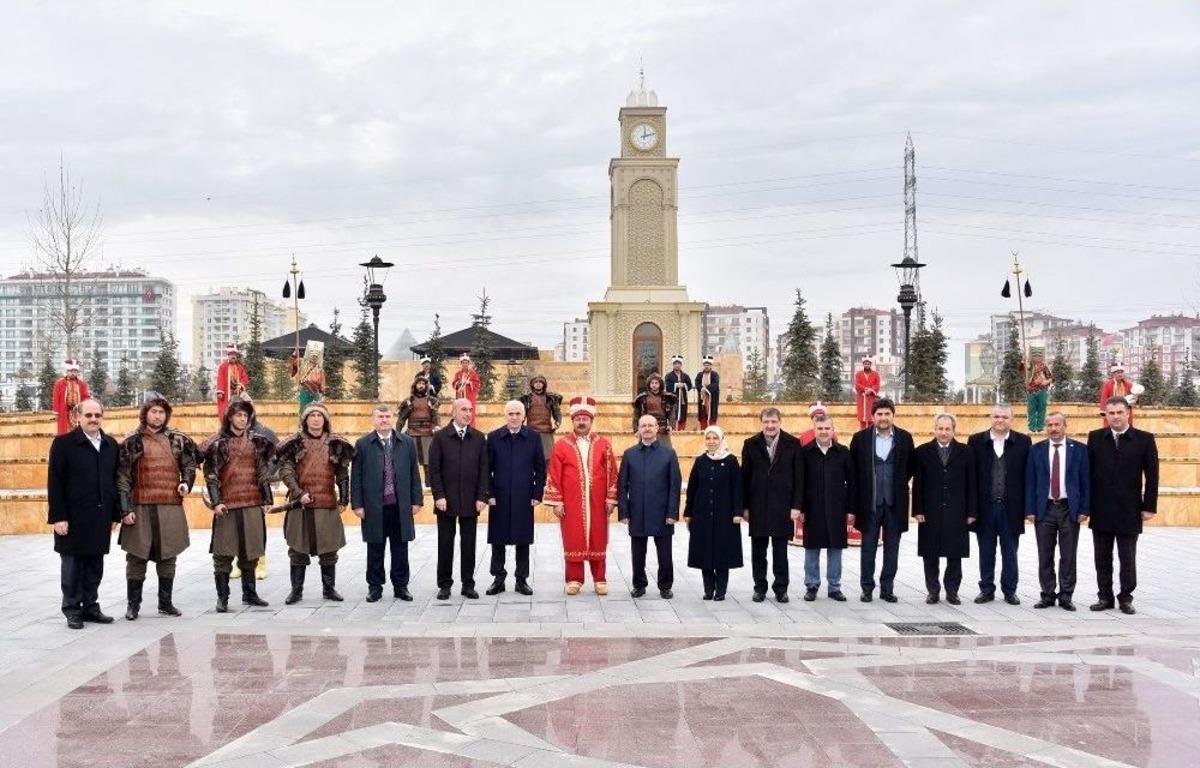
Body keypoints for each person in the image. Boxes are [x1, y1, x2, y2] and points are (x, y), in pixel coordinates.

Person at [116, 393, 198, 620]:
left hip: (169, 506)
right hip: (140, 505)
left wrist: (185, 483)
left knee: (168, 555)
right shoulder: (132, 441)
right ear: (145, 413)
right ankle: (133, 605)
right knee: (136, 557)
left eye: (162, 412)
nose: (158, 416)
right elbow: (122, 477)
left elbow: (189, 465)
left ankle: (165, 603)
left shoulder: (178, 440)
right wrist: (125, 509)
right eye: (154, 411)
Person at [47, 398, 120, 629]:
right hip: (73, 517)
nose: (93, 419)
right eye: (88, 415)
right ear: (77, 417)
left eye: (97, 415)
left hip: (100, 516)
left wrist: (115, 514)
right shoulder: (63, 444)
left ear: (102, 417)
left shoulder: (110, 444)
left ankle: (90, 606)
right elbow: (55, 483)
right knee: (72, 566)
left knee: (94, 565)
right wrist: (58, 517)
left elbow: (114, 482)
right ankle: (72, 609)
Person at [1087, 397, 1159, 614]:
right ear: (1106, 415)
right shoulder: (1096, 437)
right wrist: (1085, 505)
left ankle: (1126, 597)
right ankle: (1104, 597)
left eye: (1119, 412)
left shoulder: (1144, 439)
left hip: (1130, 509)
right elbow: (1088, 474)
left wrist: (1149, 506)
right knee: (1102, 556)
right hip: (1101, 508)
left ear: (1128, 412)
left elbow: (1152, 476)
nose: (1115, 417)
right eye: (1111, 413)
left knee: (1127, 557)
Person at [201, 399, 274, 612]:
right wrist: (216, 502)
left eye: (245, 416)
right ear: (230, 417)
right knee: (223, 553)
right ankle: (222, 598)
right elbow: (211, 475)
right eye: (238, 415)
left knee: (251, 550)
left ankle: (249, 594)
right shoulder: (217, 444)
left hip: (252, 502)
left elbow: (262, 472)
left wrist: (267, 499)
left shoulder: (257, 442)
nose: (242, 419)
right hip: (228, 505)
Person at [276, 403, 353, 605]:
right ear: (306, 420)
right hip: (300, 504)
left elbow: (343, 474)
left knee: (329, 549)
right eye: (312, 415)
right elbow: (286, 470)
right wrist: (298, 493)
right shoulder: (293, 444)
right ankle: (296, 591)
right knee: (297, 549)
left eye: (320, 415)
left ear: (325, 419)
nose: (316, 418)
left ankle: (329, 589)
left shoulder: (336, 444)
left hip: (326, 502)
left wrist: (344, 499)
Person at [544, 396, 618, 595]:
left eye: (585, 419)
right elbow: (554, 474)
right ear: (573, 421)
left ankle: (600, 578)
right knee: (573, 538)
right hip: (571, 502)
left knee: (598, 537)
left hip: (598, 502)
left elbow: (612, 472)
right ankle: (574, 579)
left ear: (591, 421)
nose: (582, 422)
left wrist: (611, 498)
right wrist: (557, 501)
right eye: (578, 419)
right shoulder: (562, 445)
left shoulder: (604, 444)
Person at [351, 404, 424, 602]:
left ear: (392, 419)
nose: (384, 420)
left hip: (400, 506)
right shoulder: (363, 444)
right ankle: (375, 587)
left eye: (387, 416)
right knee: (375, 548)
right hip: (374, 507)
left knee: (400, 548)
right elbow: (355, 476)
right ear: (373, 420)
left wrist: (417, 499)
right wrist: (357, 504)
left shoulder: (406, 442)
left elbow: (414, 473)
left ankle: (401, 586)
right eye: (380, 417)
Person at [849, 398, 915, 603]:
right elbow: (853, 473)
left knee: (892, 548)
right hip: (870, 503)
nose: (883, 418)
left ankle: (887, 589)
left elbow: (910, 467)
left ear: (893, 415)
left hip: (895, 503)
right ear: (873, 416)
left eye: (887, 414)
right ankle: (867, 588)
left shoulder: (905, 438)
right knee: (868, 548)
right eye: (880, 414)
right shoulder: (860, 439)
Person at [1025, 411, 1090, 611]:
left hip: (1069, 508)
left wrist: (1085, 508)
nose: (1053, 428)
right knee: (1045, 554)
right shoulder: (1036, 450)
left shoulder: (1079, 450)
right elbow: (1030, 481)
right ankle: (1047, 594)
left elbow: (1086, 481)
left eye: (1057, 425)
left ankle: (1066, 595)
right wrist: (1029, 509)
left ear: (1065, 426)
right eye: (1050, 425)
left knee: (1068, 555)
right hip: (1044, 509)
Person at [966, 404, 1031, 605]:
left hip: (1011, 508)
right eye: (996, 416)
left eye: (1004, 416)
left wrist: (1027, 509)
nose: (1000, 420)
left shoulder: (1023, 442)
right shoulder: (976, 441)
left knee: (1010, 551)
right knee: (986, 550)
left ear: (1011, 419)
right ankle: (986, 589)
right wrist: (972, 509)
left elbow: (1028, 477)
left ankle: (1010, 590)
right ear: (990, 418)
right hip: (985, 508)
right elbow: (971, 478)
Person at [912, 413, 977, 605]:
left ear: (954, 430)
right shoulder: (923, 451)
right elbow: (918, 483)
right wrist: (917, 509)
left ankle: (952, 591)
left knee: (954, 554)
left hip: (957, 511)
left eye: (947, 429)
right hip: (930, 511)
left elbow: (972, 483)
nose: (943, 432)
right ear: (935, 429)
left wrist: (972, 512)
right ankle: (933, 591)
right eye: (940, 428)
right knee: (930, 554)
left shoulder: (966, 452)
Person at [741, 406, 804, 603]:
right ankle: (759, 587)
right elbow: (745, 478)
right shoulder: (750, 444)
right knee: (758, 551)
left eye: (773, 422)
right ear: (761, 423)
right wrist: (744, 507)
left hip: (782, 506)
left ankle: (781, 588)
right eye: (766, 422)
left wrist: (796, 506)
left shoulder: (793, 444)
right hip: (757, 506)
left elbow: (799, 478)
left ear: (779, 422)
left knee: (780, 551)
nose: (770, 426)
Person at [428, 398, 489, 600]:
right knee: (445, 543)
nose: (468, 413)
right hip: (446, 500)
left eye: (470, 410)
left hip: (471, 501)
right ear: (453, 412)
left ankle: (468, 584)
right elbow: (434, 470)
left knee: (469, 543)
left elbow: (484, 470)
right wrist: (439, 496)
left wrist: (482, 497)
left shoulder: (479, 438)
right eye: (464, 409)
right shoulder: (440, 438)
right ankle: (444, 584)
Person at [618, 414, 682, 599]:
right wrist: (624, 511)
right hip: (637, 511)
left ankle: (665, 586)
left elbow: (674, 485)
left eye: (650, 425)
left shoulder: (668, 453)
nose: (647, 429)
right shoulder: (630, 454)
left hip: (662, 512)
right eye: (643, 425)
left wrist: (672, 512)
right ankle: (639, 584)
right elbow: (622, 485)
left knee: (665, 554)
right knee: (637, 553)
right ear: (638, 429)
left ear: (657, 428)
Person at [486, 401, 546, 596]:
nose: (514, 417)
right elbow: (486, 470)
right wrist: (490, 494)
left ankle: (522, 579)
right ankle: (498, 578)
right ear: (505, 415)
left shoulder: (534, 438)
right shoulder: (494, 438)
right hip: (500, 497)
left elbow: (540, 469)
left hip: (524, 496)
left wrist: (537, 494)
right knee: (498, 538)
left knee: (523, 539)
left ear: (523, 416)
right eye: (510, 413)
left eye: (517, 413)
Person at [798, 414, 855, 602]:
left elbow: (852, 483)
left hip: (836, 509)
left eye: (827, 428)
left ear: (833, 430)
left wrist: (850, 510)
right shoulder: (805, 453)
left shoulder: (843, 452)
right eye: (820, 428)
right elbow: (800, 483)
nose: (823, 432)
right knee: (812, 548)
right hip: (812, 508)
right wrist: (801, 508)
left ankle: (834, 587)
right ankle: (812, 585)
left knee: (835, 548)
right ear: (814, 430)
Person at [683, 425, 743, 600]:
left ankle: (721, 590)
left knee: (722, 554)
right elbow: (692, 488)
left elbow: (737, 488)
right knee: (704, 553)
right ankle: (708, 589)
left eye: (715, 438)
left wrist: (737, 512)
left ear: (721, 439)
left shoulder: (731, 461)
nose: (711, 441)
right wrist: (688, 512)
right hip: (702, 515)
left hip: (725, 516)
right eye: (708, 438)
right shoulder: (701, 461)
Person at [397, 376, 439, 469]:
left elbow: (435, 415)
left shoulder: (432, 401)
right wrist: (397, 433)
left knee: (428, 463)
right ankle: (413, 483)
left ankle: (428, 483)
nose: (421, 386)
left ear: (426, 386)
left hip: (427, 434)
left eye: (423, 384)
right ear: (415, 385)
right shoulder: (409, 401)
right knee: (411, 462)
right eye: (419, 384)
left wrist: (437, 426)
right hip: (412, 434)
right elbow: (401, 419)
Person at [518, 374, 562, 460]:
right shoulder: (526, 399)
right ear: (532, 384)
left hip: (546, 432)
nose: (538, 384)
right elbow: (522, 414)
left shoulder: (551, 398)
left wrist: (558, 421)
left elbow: (557, 412)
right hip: (531, 432)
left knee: (548, 458)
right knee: (530, 457)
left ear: (544, 384)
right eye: (536, 382)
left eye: (540, 382)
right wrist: (519, 426)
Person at [633, 372, 677, 449]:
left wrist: (671, 425)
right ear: (649, 384)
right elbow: (636, 415)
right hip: (647, 427)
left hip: (662, 429)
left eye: (656, 383)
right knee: (644, 452)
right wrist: (636, 429)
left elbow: (671, 413)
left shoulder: (667, 398)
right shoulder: (642, 398)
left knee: (666, 452)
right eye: (652, 383)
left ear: (660, 384)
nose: (654, 385)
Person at [52, 359, 91, 436]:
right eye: (70, 371)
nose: (73, 373)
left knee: (79, 431)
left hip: (77, 412)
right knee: (64, 433)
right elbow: (56, 398)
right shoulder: (59, 384)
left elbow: (86, 397)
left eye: (75, 371)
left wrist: (86, 409)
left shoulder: (82, 384)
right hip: (64, 411)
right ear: (66, 371)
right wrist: (56, 412)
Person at [214, 344, 249, 421]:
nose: (233, 356)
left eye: (235, 355)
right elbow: (220, 379)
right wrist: (220, 391)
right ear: (228, 355)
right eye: (231, 354)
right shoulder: (223, 366)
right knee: (225, 412)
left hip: (238, 393)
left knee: (247, 404)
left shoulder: (240, 367)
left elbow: (245, 378)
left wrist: (240, 385)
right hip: (226, 393)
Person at [293, 342, 326, 414]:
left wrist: (322, 391)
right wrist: (296, 352)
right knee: (304, 409)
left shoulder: (320, 369)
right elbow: (295, 363)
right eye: (313, 356)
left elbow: (322, 382)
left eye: (316, 357)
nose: (314, 358)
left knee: (314, 410)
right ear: (310, 356)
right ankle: (302, 424)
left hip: (315, 392)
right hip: (305, 390)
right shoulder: (304, 365)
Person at [451, 354, 481, 428]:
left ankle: (471, 428)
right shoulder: (458, 374)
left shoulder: (472, 373)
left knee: (470, 412)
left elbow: (477, 383)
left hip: (469, 397)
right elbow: (454, 384)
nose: (465, 364)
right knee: (460, 412)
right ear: (461, 363)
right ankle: (460, 427)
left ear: (468, 363)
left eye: (466, 362)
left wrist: (469, 383)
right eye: (463, 362)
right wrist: (459, 383)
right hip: (460, 397)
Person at [663, 355, 692, 431]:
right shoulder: (668, 376)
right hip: (672, 399)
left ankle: (681, 431)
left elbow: (690, 385)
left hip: (683, 400)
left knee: (682, 415)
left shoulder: (685, 376)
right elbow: (668, 385)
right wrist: (676, 385)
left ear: (681, 365)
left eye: (679, 363)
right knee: (672, 415)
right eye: (675, 363)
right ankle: (673, 430)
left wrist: (684, 385)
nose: (677, 365)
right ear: (673, 365)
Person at [854, 357, 881, 431]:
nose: (867, 365)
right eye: (865, 364)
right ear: (863, 364)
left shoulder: (875, 374)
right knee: (862, 417)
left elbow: (877, 384)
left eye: (868, 364)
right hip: (862, 398)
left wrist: (871, 390)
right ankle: (862, 433)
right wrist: (865, 389)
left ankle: (871, 433)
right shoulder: (858, 374)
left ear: (870, 365)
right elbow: (857, 384)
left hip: (871, 398)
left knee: (871, 417)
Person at [1026, 358, 1053, 433]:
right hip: (1031, 391)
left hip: (1042, 391)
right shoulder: (1029, 366)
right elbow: (1022, 372)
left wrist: (1046, 382)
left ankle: (1040, 428)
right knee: (1031, 410)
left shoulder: (1044, 367)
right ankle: (1031, 428)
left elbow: (1051, 378)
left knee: (1042, 410)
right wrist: (1023, 360)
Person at [695, 355, 720, 430]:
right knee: (703, 415)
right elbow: (697, 383)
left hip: (712, 398)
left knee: (712, 415)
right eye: (705, 365)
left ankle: (712, 430)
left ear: (711, 365)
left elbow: (715, 384)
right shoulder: (700, 375)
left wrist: (707, 389)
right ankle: (703, 431)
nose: (706, 366)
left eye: (708, 365)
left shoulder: (715, 375)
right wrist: (702, 388)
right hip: (702, 399)